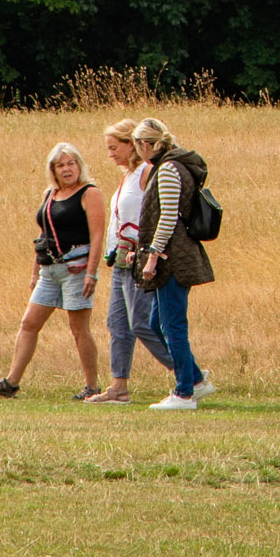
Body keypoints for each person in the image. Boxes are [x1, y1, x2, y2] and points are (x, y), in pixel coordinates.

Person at [0, 140, 106, 400]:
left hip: (76, 269)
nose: (66, 169)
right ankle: (11, 383)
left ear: (79, 166)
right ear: (53, 169)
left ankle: (92, 387)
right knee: (29, 323)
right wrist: (34, 271)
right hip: (49, 271)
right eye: (60, 165)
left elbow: (97, 237)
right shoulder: (49, 195)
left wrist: (92, 273)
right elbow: (43, 235)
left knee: (78, 328)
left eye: (71, 163)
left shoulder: (89, 193)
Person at [120, 112, 213, 410]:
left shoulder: (169, 169)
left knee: (172, 324)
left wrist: (152, 257)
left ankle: (184, 393)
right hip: (169, 254)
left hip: (173, 257)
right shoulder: (168, 165)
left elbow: (168, 217)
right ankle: (196, 380)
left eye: (137, 146)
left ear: (146, 145)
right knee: (155, 322)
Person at [92, 121, 153, 406]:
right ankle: (118, 386)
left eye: (114, 147)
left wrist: (144, 250)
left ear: (131, 144)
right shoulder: (127, 175)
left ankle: (190, 376)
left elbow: (153, 214)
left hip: (136, 260)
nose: (110, 154)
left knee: (141, 323)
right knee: (117, 324)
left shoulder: (146, 172)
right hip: (119, 261)